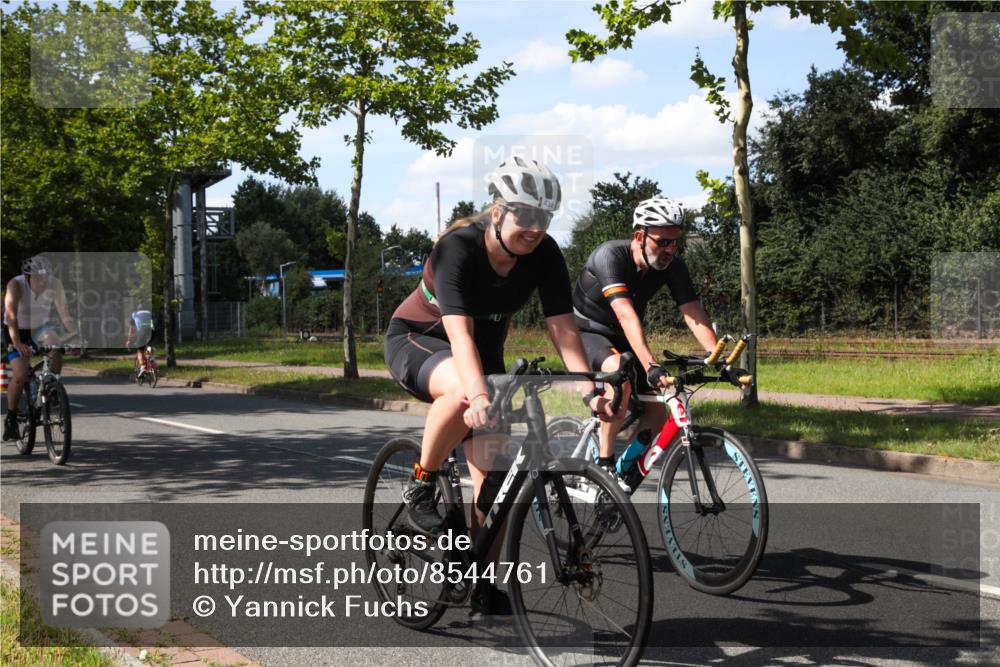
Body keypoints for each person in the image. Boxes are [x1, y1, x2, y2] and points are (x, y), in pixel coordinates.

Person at [384, 157, 618, 617]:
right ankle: (421, 481)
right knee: (460, 392)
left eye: (544, 218)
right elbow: (459, 335)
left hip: (482, 353)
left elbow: (564, 330)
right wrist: (480, 393)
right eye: (525, 215)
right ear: (498, 212)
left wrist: (591, 390)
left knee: (499, 484)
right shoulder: (458, 248)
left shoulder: (545, 254)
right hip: (421, 339)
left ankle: (478, 582)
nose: (534, 228)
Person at [572, 197, 719, 479]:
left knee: (656, 412)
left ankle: (625, 474)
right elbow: (626, 314)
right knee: (621, 378)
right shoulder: (610, 257)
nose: (669, 250)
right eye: (662, 242)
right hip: (587, 332)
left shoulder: (672, 265)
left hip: (624, 335)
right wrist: (651, 365)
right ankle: (604, 467)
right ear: (640, 236)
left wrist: (719, 358)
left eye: (675, 242)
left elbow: (692, 313)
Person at [3, 255, 79, 440]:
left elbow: (64, 313)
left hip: (40, 328)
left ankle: (51, 388)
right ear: (27, 276)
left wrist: (76, 336)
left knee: (55, 345)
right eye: (37, 277)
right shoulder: (16, 285)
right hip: (16, 329)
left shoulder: (55, 284)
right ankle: (11, 417)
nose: (41, 281)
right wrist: (17, 342)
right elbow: (11, 316)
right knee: (20, 375)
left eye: (44, 277)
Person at [126, 304, 155, 376]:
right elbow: (152, 323)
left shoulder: (135, 314)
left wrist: (129, 340)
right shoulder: (149, 313)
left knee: (140, 350)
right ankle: (150, 358)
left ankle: (142, 367)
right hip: (151, 330)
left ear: (137, 309)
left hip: (142, 330)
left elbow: (131, 330)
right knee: (149, 345)